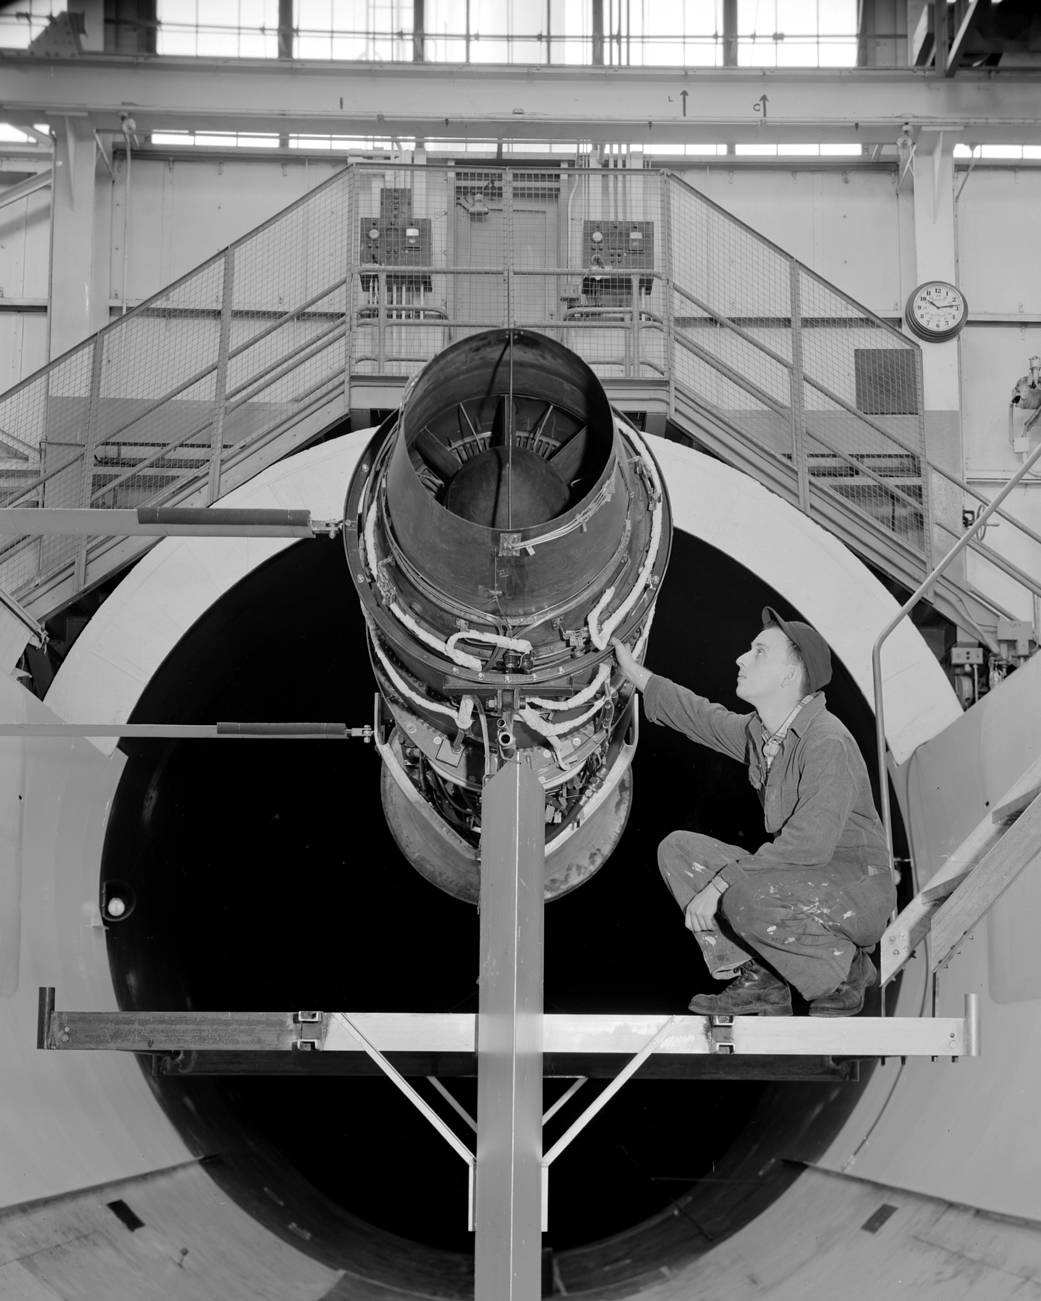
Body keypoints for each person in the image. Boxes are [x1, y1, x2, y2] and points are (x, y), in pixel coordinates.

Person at [612, 608, 895, 1017]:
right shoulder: (764, 736)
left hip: (852, 891)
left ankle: (845, 970)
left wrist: (720, 886)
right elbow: (701, 718)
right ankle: (761, 978)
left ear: (788, 677)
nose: (741, 659)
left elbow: (808, 845)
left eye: (759, 652)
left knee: (741, 894)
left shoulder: (826, 741)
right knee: (679, 851)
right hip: (800, 881)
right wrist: (636, 674)